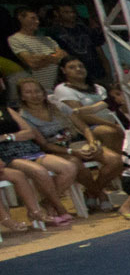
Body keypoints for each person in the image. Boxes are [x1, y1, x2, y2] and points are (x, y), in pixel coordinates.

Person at [14, 76, 117, 211]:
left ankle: (91, 192)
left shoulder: (56, 104)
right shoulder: (23, 116)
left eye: (37, 91)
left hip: (76, 142)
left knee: (115, 160)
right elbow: (44, 144)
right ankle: (101, 195)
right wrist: (71, 152)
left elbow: (84, 127)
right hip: (54, 149)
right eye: (28, 92)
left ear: (43, 92)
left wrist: (92, 142)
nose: (34, 95)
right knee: (75, 163)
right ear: (22, 96)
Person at [8, 7, 69, 97]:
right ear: (21, 18)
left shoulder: (48, 39)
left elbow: (64, 56)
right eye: (33, 18)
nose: (37, 22)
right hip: (36, 90)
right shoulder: (15, 39)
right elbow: (32, 63)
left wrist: (42, 57)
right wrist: (54, 57)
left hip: (56, 88)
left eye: (38, 19)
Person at [49, 4, 102, 83]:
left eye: (73, 12)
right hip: (74, 71)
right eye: (66, 12)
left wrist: (106, 67)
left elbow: (98, 49)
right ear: (57, 13)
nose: (71, 15)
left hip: (95, 68)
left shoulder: (84, 28)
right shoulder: (54, 32)